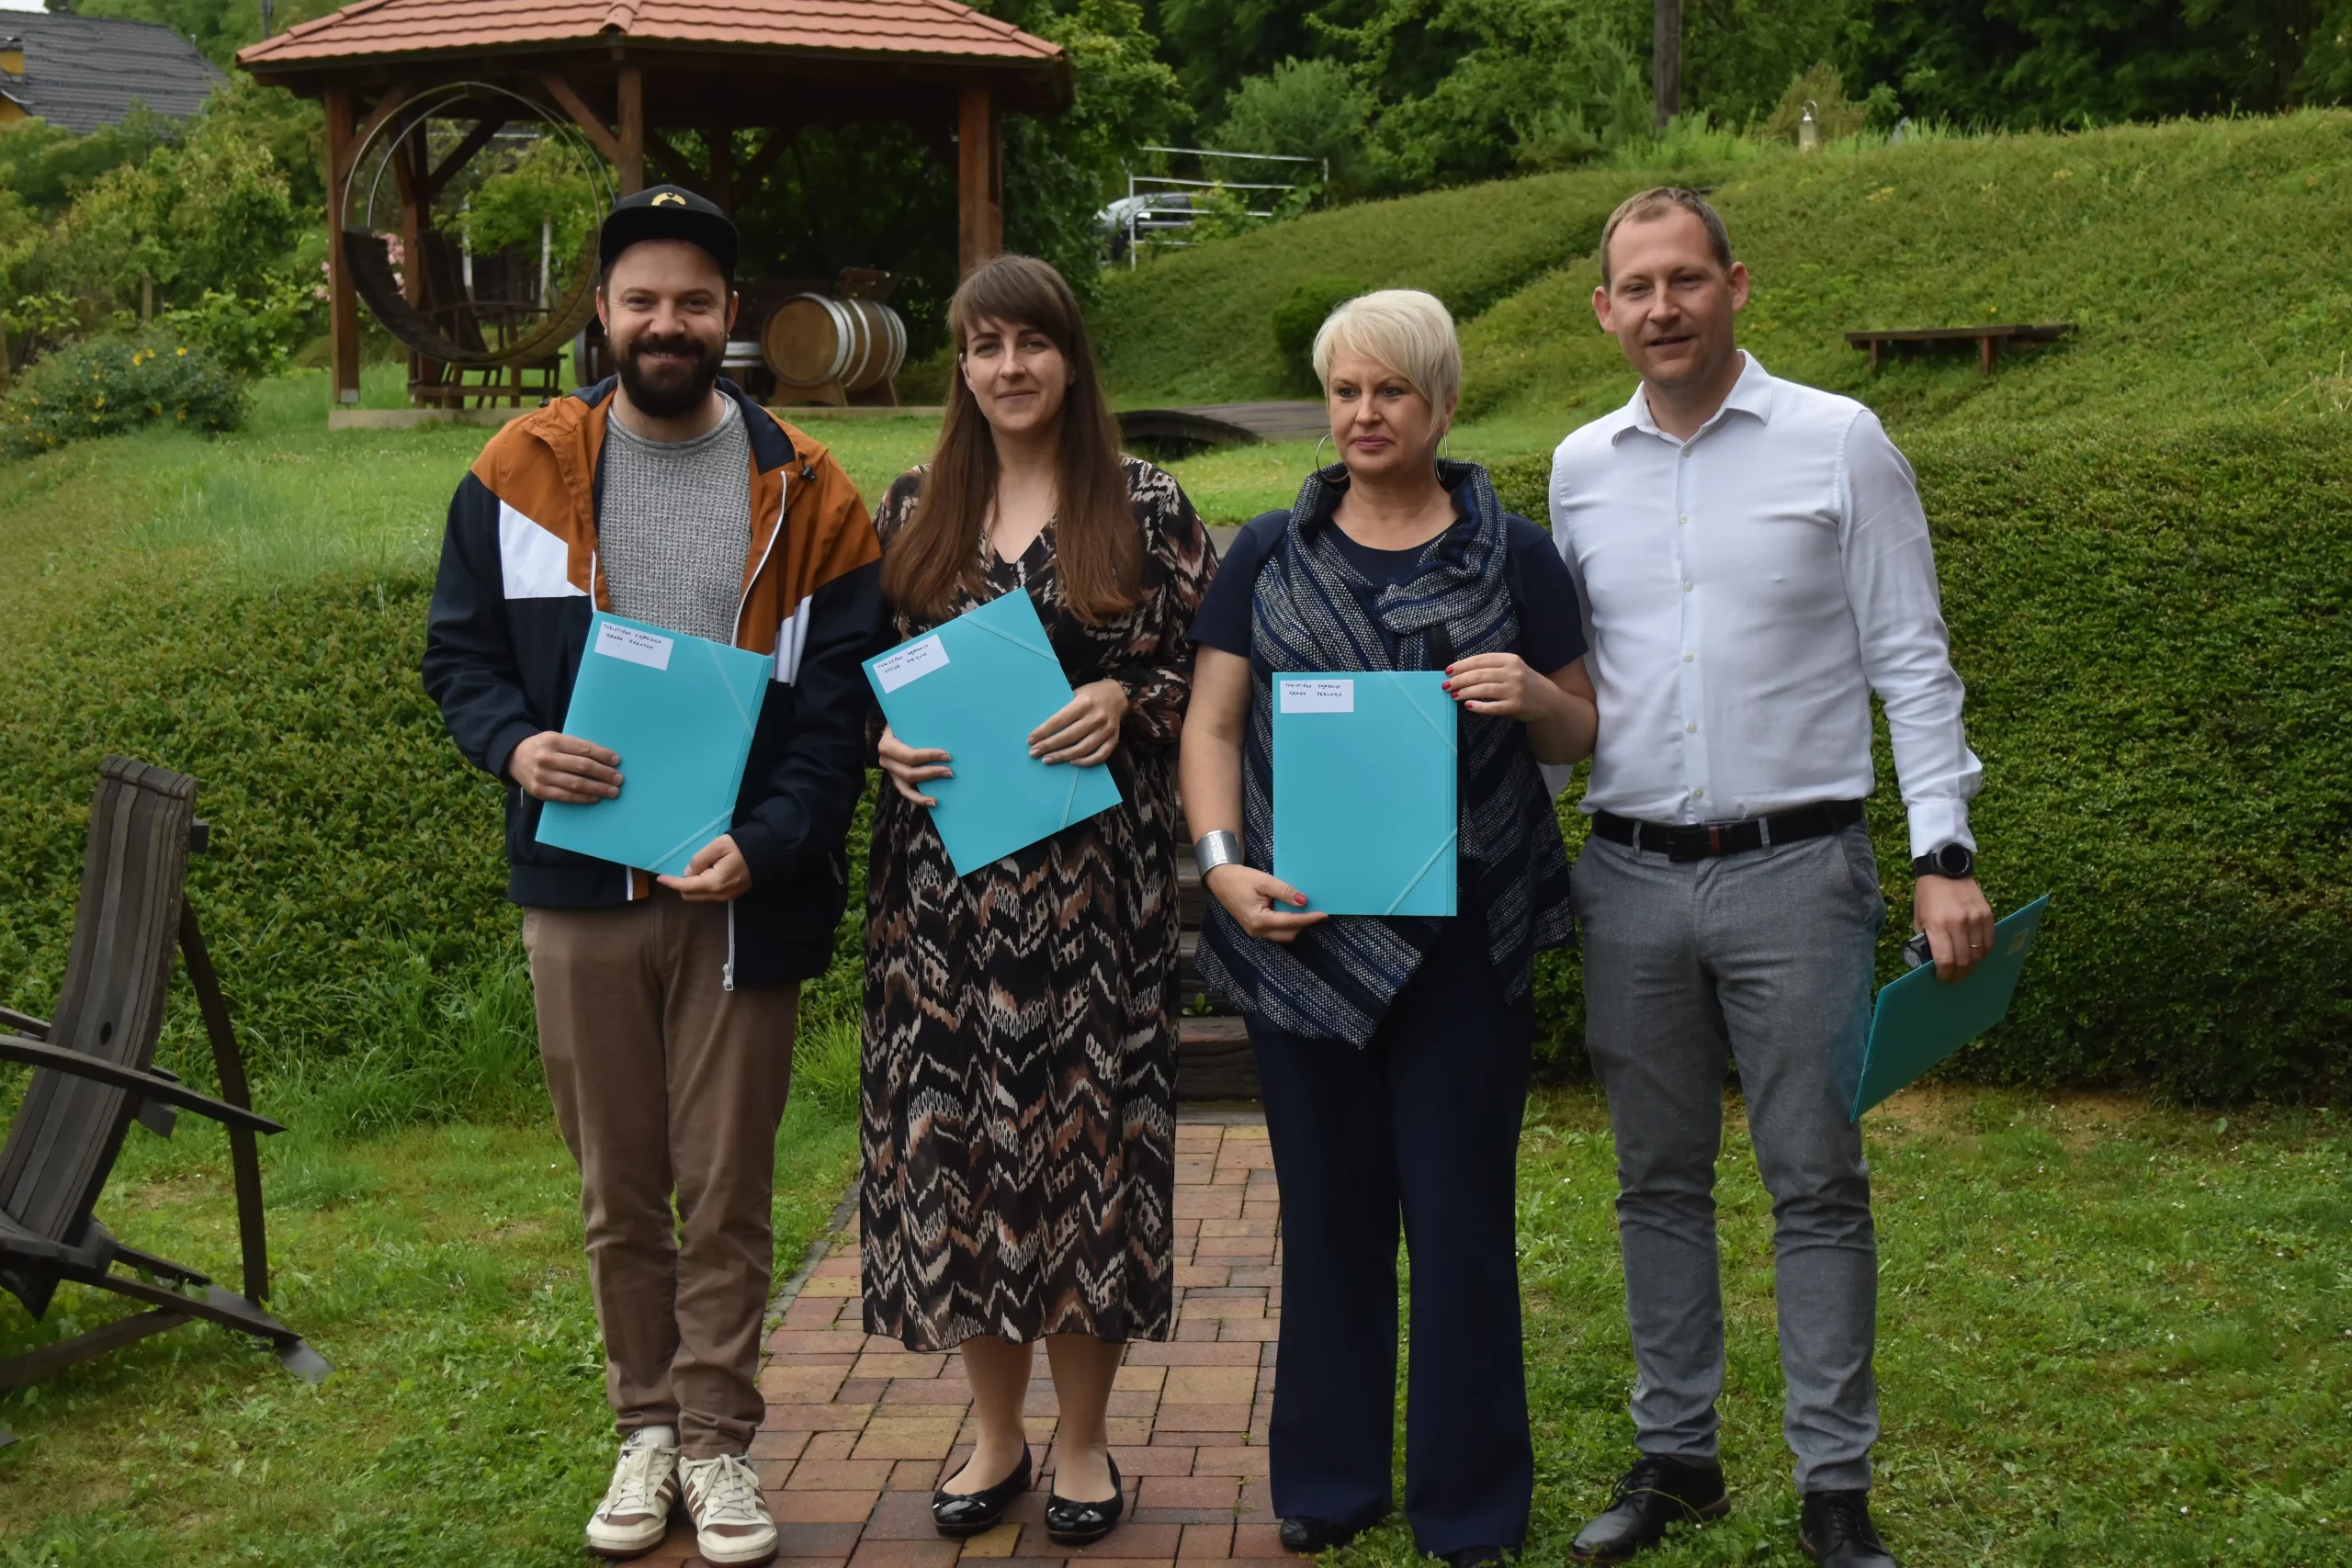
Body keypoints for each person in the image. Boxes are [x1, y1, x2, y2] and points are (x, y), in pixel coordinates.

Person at [422, 185, 886, 1567]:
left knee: (725, 1178)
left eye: (693, 300)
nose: (666, 322)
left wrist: (777, 834)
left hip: (741, 889)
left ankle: (717, 1442)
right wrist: (516, 747)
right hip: (580, 885)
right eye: (641, 300)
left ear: (730, 317)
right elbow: (459, 659)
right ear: (606, 313)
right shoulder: (518, 471)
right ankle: (642, 1425)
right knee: (618, 1181)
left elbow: (843, 709)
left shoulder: (812, 491)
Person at [1548, 187, 1995, 1568]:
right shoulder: (1576, 469)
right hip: (1625, 874)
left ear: (1737, 286)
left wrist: (1944, 854)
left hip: (1796, 871)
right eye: (1639, 286)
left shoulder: (1838, 442)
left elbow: (1911, 658)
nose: (1664, 306)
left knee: (1817, 1178)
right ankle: (1678, 1455)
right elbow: (1568, 689)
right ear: (1606, 309)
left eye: (1688, 278)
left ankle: (1833, 1485)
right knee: (1655, 1180)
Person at [1181, 289, 1598, 1568]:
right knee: (1329, 1211)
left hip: (1465, 945)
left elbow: (1582, 729)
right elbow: (1207, 726)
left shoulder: (1513, 554)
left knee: (1463, 1220)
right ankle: (1330, 1477)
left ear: (1443, 405)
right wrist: (1219, 866)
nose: (1364, 414)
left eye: (1392, 392)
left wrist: (1532, 692)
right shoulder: (1266, 551)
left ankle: (1469, 1505)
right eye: (1346, 390)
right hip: (1299, 933)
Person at [859, 253, 1216, 1550]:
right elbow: (871, 673)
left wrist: (1131, 699)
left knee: (1086, 1159)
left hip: (1090, 896)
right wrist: (881, 742)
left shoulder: (1145, 501)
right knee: (953, 1157)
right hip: (941, 895)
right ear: (959, 364)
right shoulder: (915, 501)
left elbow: (1207, 673)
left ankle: (1082, 1440)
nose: (1008, 368)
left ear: (1071, 356)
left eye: (1032, 343)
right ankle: (995, 1432)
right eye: (984, 345)